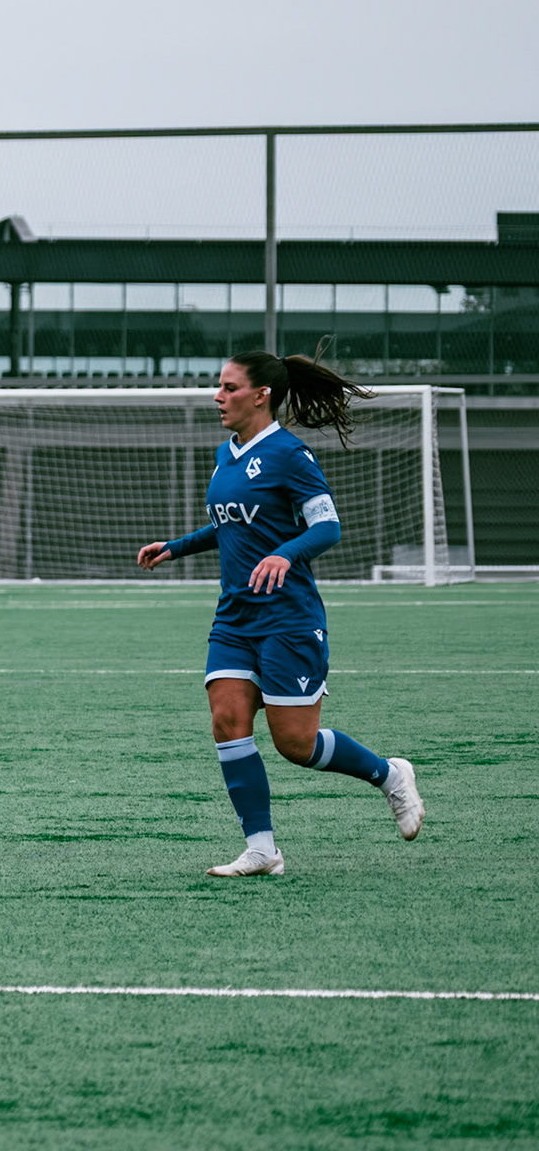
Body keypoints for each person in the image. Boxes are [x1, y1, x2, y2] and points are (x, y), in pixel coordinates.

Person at [138, 350, 425, 878]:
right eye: (218, 386)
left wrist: (285, 553)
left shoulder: (291, 455)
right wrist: (176, 547)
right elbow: (231, 526)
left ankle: (390, 775)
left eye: (228, 386)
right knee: (226, 721)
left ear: (260, 394)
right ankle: (262, 848)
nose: (217, 396)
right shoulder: (227, 455)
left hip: (288, 618)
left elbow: (327, 527)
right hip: (235, 616)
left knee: (296, 744)